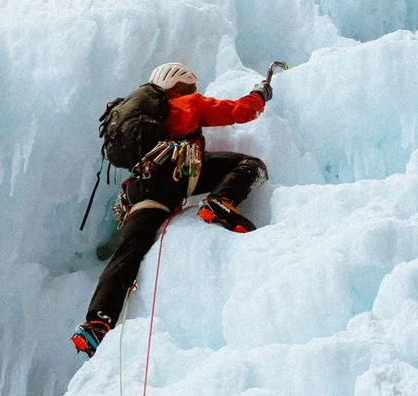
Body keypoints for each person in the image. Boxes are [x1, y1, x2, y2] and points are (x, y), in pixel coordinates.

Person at [72, 58, 279, 355]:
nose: (193, 90)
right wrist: (261, 94)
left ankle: (95, 324)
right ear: (178, 86)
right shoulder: (188, 105)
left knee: (127, 255)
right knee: (249, 164)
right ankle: (220, 202)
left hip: (140, 191)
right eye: (189, 86)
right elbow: (242, 111)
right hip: (175, 178)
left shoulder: (137, 114)